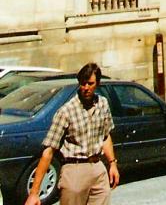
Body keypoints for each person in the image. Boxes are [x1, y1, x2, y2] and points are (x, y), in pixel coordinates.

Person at [25, 61, 119, 205]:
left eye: (90, 83)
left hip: (98, 169)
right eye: (82, 83)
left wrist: (112, 164)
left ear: (98, 84)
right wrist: (34, 193)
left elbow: (105, 136)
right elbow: (48, 151)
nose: (86, 88)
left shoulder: (103, 104)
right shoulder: (66, 111)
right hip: (74, 171)